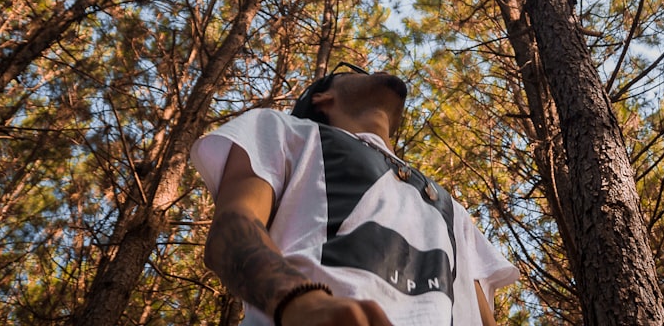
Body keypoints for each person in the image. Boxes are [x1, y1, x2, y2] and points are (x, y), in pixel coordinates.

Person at [191, 62, 519, 326]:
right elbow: (232, 230)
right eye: (352, 70)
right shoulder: (285, 132)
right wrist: (302, 303)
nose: (373, 71)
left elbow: (481, 316)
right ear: (323, 98)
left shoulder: (454, 209)